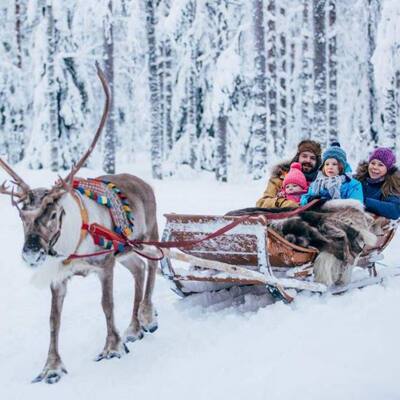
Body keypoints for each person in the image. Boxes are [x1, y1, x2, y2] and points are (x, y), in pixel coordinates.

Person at [256, 140, 322, 208]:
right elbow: (262, 202)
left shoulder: (322, 180)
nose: (308, 160)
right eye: (304, 156)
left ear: (317, 162)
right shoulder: (280, 177)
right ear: (298, 157)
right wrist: (283, 203)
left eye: (312, 158)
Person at [354, 147, 400, 219]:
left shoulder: (391, 184)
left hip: (373, 226)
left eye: (380, 165)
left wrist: (364, 201)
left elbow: (395, 210)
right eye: (373, 163)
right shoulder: (358, 179)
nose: (375, 167)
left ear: (388, 169)